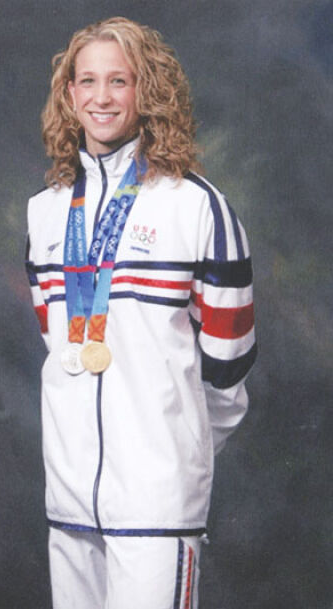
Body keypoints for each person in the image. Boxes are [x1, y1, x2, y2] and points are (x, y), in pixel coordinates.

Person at [25, 16, 256, 609]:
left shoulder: (196, 207)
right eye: (88, 81)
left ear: (147, 90)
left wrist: (177, 448)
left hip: (157, 503)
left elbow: (226, 370)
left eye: (119, 81)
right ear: (69, 93)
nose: (102, 97)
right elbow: (60, 343)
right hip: (70, 502)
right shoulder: (45, 213)